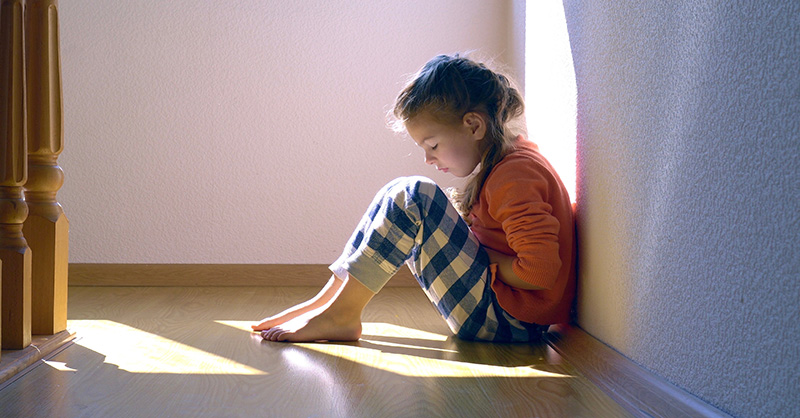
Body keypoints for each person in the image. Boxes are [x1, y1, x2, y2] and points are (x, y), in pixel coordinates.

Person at [253, 54, 575, 343]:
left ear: (474, 125)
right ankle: (328, 303)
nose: (428, 158)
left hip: (513, 321)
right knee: (398, 191)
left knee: (416, 195)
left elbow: (538, 272)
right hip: (502, 311)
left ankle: (341, 315)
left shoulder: (514, 175)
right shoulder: (506, 168)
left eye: (432, 145)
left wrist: (482, 258)